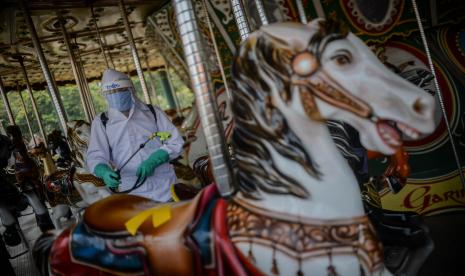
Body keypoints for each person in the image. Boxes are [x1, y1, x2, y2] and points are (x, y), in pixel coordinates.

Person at [86, 69, 184, 202]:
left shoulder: (152, 112)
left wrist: (155, 160)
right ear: (105, 95)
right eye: (111, 93)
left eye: (120, 90)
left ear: (130, 89)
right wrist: (103, 171)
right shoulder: (102, 122)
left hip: (165, 186)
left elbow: (175, 142)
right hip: (131, 191)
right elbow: (95, 156)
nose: (116, 95)